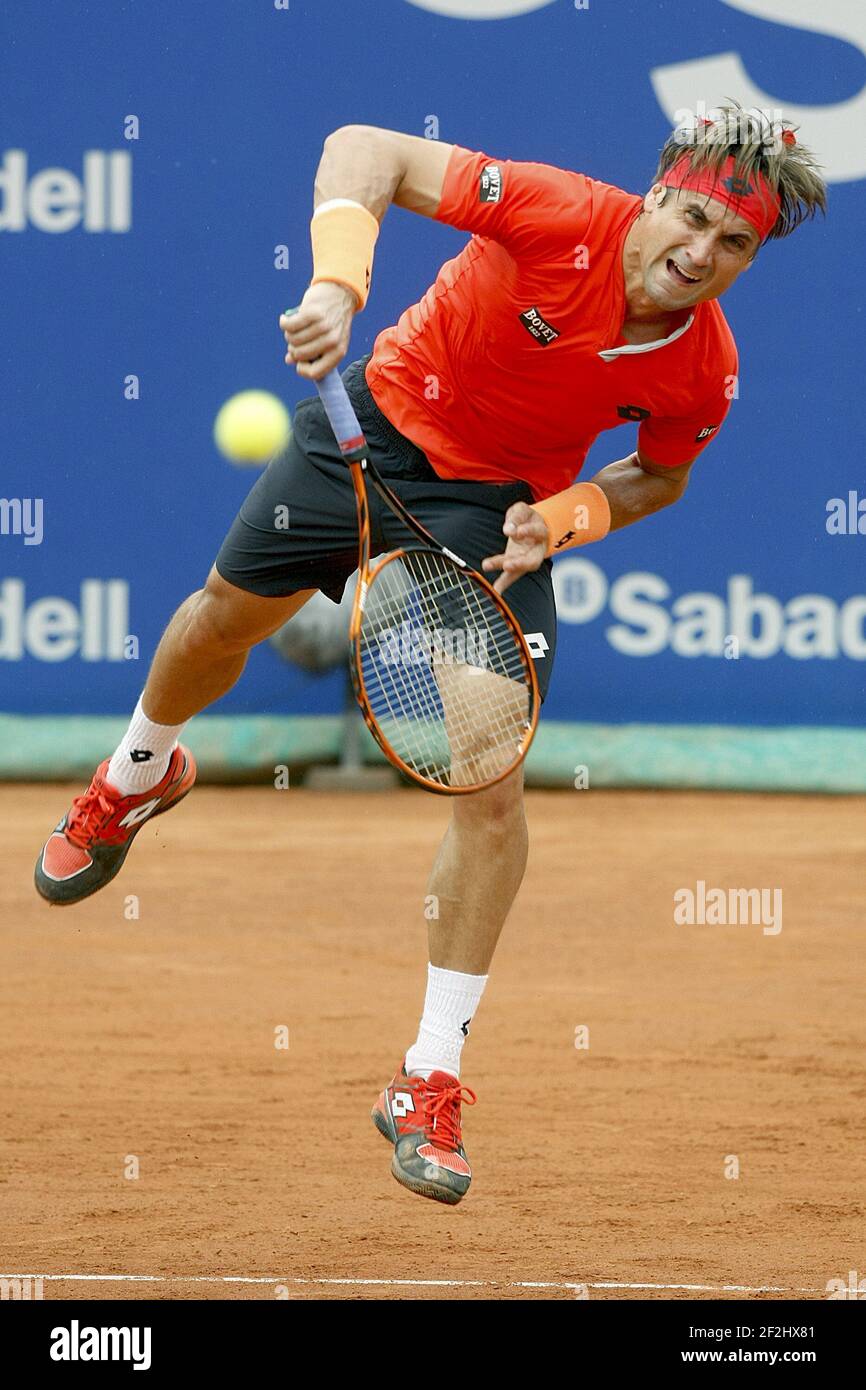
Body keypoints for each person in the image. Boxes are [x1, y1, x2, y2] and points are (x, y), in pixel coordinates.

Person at [35, 105, 826, 1205]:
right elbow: (369, 150)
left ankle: (428, 1074)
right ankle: (136, 775)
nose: (700, 254)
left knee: (489, 782)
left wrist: (563, 518)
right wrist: (335, 289)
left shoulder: (703, 367)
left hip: (491, 510)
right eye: (691, 218)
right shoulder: (555, 211)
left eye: (732, 244)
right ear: (652, 195)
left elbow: (658, 474)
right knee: (220, 618)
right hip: (378, 418)